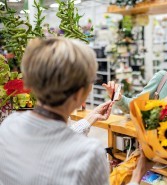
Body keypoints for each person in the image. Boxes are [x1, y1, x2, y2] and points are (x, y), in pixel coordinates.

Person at [0, 38, 149, 185]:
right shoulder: (89, 155)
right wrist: (136, 176)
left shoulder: (9, 125)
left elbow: (54, 143)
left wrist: (90, 118)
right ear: (79, 93)